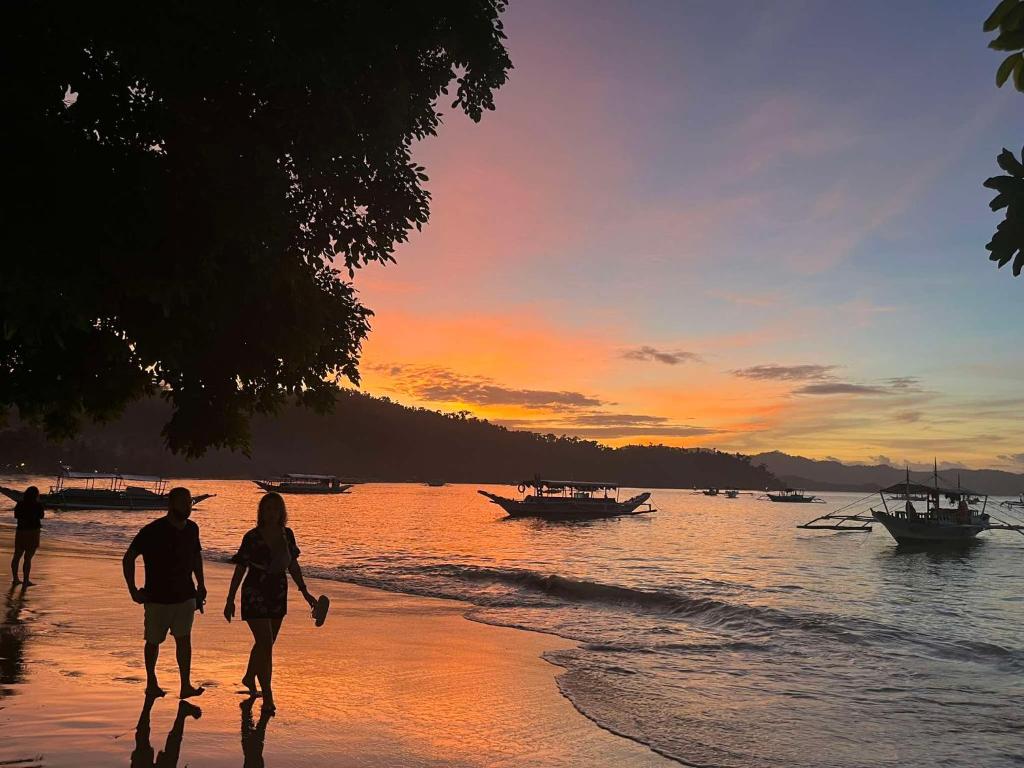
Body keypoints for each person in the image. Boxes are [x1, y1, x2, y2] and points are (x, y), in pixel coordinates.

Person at [224, 492, 316, 713]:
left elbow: (292, 565)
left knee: (267, 643)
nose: (272, 512)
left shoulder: (287, 535)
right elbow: (240, 567)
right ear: (261, 512)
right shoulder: (252, 536)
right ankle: (268, 697)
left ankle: (249, 676)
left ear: (281, 512)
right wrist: (230, 599)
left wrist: (305, 592)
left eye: (276, 508)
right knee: (265, 644)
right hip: (254, 589)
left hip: (277, 590)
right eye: (267, 508)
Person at [123, 487, 207, 699]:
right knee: (153, 641)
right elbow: (129, 557)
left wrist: (201, 585)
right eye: (183, 502)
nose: (187, 506)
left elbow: (196, 558)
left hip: (186, 595)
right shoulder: (153, 530)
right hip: (157, 597)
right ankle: (151, 682)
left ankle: (185, 685)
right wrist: (133, 590)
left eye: (189, 502)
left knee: (184, 640)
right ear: (171, 504)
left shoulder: (192, 529)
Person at [11, 486, 44, 585]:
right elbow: (41, 516)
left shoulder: (20, 504)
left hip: (21, 531)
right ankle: (26, 580)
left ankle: (15, 579)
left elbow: (16, 516)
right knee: (28, 558)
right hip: (33, 532)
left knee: (17, 556)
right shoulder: (38, 505)